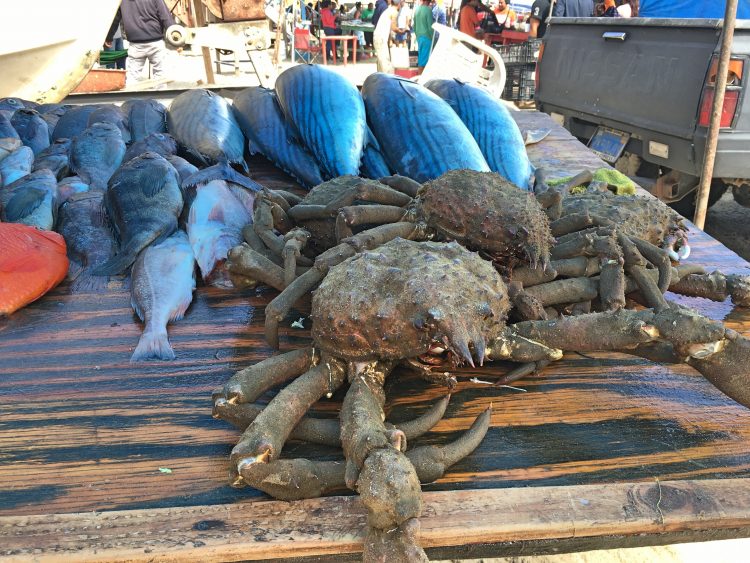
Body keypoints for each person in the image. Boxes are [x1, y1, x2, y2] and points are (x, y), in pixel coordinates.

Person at [115, 0, 175, 86]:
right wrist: (174, 34)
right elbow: (165, 16)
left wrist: (109, 37)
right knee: (160, 77)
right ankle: (160, 94)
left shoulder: (122, 1)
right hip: (155, 41)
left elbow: (115, 18)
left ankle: (130, 94)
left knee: (132, 78)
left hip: (135, 44)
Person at [373, 0, 400, 72]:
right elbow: (393, 28)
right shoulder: (394, 12)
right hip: (381, 38)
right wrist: (402, 31)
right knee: (385, 62)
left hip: (378, 37)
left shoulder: (388, 10)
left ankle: (380, 77)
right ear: (399, 4)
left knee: (381, 63)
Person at [414, 0, 434, 71]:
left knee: (421, 59)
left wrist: (417, 36)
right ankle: (421, 76)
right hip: (427, 38)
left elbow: (414, 26)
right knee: (424, 62)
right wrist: (433, 39)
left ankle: (420, 75)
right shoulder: (428, 10)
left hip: (419, 37)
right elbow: (430, 27)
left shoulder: (417, 10)